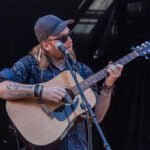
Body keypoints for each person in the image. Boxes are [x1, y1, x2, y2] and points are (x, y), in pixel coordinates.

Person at [0, 15, 123, 150]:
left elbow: (97, 117)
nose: (69, 40)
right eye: (63, 38)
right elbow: (2, 88)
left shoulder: (82, 70)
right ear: (46, 45)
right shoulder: (29, 65)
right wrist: (41, 91)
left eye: (70, 34)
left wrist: (108, 85)